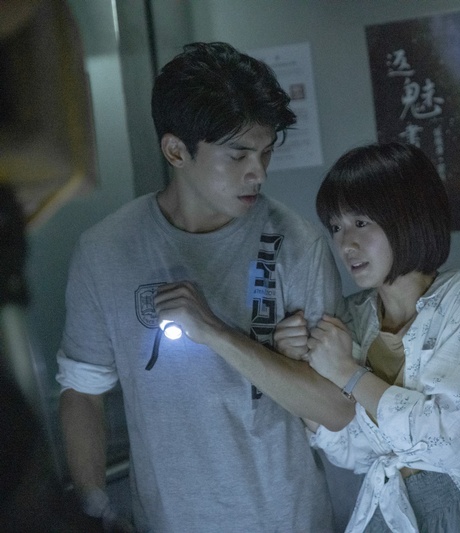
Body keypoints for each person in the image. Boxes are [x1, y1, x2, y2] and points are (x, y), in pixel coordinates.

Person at [55, 42, 355, 533]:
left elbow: (337, 409)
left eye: (266, 152)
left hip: (289, 518)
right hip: (168, 521)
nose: (258, 172)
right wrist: (94, 509)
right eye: (238, 155)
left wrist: (215, 331)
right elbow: (82, 392)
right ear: (176, 151)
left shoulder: (297, 243)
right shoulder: (105, 250)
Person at [275, 142, 460, 532]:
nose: (346, 244)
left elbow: (451, 438)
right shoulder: (354, 317)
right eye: (336, 227)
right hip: (386, 509)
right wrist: (297, 365)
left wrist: (348, 373)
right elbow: (353, 453)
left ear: (408, 216)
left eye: (361, 222)